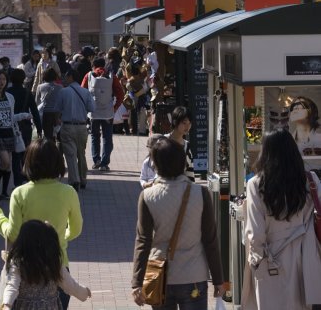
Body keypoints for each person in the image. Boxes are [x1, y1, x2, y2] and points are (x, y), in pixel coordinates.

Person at [0, 138, 83, 310]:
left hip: (25, 269)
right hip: (58, 264)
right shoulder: (69, 193)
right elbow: (76, 229)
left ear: (29, 163)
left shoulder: (19, 193)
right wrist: (61, 236)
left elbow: (13, 233)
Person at [132, 137, 224, 309]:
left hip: (160, 276)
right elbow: (210, 240)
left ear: (155, 164)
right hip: (194, 275)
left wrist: (137, 282)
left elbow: (143, 241)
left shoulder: (147, 197)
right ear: (183, 162)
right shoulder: (201, 193)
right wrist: (218, 279)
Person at [242, 128, 321, 310]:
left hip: (271, 261)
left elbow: (255, 233)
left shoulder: (256, 184)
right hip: (306, 260)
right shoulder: (310, 180)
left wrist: (258, 262)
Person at [1, 220, 91, 310]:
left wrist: (7, 305)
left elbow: (12, 285)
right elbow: (69, 285)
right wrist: (84, 292)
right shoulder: (53, 262)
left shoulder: (18, 262)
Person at [0, 70, 31, 198]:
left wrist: (23, 115)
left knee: (8, 165)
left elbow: (11, 117)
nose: (2, 82)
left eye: (4, 79)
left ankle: (3, 191)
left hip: (9, 133)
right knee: (4, 162)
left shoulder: (10, 97)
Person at [55, 68, 95, 191]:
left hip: (67, 126)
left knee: (70, 154)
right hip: (82, 127)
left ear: (71, 77)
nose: (64, 79)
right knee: (81, 154)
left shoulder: (63, 91)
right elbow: (92, 108)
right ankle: (83, 179)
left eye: (66, 76)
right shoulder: (85, 92)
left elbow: (57, 109)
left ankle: (74, 180)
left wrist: (58, 120)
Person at [81, 57, 123, 172]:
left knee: (94, 136)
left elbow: (82, 92)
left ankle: (96, 161)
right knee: (107, 138)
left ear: (93, 66)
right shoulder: (111, 76)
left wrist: (86, 108)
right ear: (104, 65)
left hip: (93, 112)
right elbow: (120, 93)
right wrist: (114, 108)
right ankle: (104, 163)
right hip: (108, 112)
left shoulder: (88, 75)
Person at [7, 68, 42, 187]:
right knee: (26, 153)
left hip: (11, 126)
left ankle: (17, 182)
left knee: (15, 155)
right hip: (25, 126)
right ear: (23, 79)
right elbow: (35, 111)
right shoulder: (27, 93)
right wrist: (39, 128)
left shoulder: (7, 92)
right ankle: (26, 176)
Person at [167, 106, 195, 181]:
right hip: (163, 185)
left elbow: (190, 174)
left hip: (181, 186)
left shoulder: (187, 146)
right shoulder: (162, 141)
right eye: (184, 123)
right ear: (175, 122)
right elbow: (152, 168)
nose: (187, 126)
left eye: (189, 123)